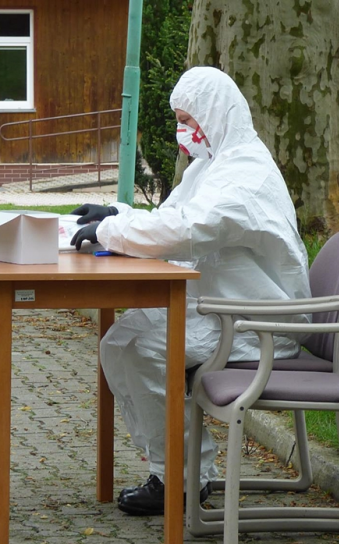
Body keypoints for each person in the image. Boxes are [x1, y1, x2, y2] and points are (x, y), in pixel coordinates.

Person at [70, 67, 311, 515]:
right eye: (180, 119)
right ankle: (175, 472)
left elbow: (187, 229)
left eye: (189, 119)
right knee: (123, 342)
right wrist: (116, 211)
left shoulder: (245, 176)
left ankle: (181, 480)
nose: (184, 131)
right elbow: (172, 213)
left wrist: (110, 230)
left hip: (256, 324)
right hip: (224, 311)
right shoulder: (212, 166)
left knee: (138, 346)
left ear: (216, 115)